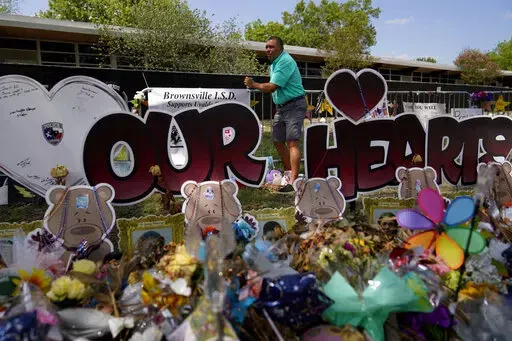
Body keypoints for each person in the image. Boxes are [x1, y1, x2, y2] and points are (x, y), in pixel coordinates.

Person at [244, 36, 306, 192]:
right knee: (278, 140)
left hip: (294, 105)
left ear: (281, 48)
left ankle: (294, 180)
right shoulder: (274, 64)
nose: (268, 50)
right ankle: (288, 173)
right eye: (266, 47)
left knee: (292, 142)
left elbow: (272, 87)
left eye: (271, 47)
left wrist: (253, 84)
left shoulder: (285, 61)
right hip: (282, 107)